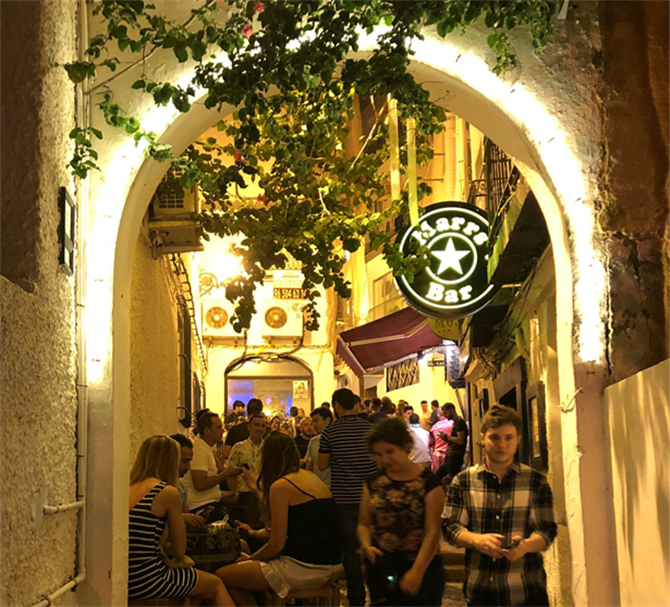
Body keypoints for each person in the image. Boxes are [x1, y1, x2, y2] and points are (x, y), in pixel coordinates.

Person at [442, 405, 557, 607]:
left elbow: (547, 529)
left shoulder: (535, 481)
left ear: (518, 439)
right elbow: (449, 526)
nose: (502, 444)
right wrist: (476, 540)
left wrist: (526, 546)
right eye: (495, 437)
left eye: (508, 437)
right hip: (480, 590)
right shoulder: (463, 481)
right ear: (483, 438)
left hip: (526, 590)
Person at [215, 432, 342, 605]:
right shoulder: (310, 477)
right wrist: (258, 494)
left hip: (304, 566)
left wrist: (251, 559)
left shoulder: (281, 485)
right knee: (243, 572)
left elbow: (276, 543)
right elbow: (296, 525)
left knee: (222, 576)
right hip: (333, 561)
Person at [128, 435, 234, 606]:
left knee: (194, 586)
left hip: (126, 575)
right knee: (215, 585)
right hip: (148, 577)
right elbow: (179, 550)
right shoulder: (167, 492)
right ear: (171, 461)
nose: (186, 466)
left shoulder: (128, 488)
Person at [358, 418, 445, 607]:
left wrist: (417, 571)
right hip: (383, 567)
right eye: (378, 454)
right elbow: (363, 523)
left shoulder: (429, 483)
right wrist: (366, 546)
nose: (384, 460)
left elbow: (432, 531)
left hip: (421, 566)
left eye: (390, 452)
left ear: (405, 447)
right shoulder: (373, 483)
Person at [318, 388, 377, 607]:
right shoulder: (371, 429)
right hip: (370, 498)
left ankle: (357, 599)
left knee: (350, 552)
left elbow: (322, 465)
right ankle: (380, 595)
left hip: (343, 498)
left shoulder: (330, 431)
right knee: (373, 546)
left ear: (337, 406)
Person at [182, 413, 242, 522]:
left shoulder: (207, 448)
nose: (223, 431)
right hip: (202, 508)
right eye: (219, 427)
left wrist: (223, 494)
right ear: (207, 431)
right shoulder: (199, 449)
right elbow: (200, 484)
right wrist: (227, 473)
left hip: (210, 503)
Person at [226, 413, 267, 528]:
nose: (259, 429)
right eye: (256, 425)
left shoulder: (269, 448)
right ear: (249, 427)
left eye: (263, 426)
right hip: (243, 496)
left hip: (262, 495)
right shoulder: (238, 447)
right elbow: (230, 472)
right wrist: (234, 492)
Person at [169, 434, 206, 529]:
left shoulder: (181, 487)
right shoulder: (155, 487)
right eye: (185, 461)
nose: (188, 468)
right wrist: (183, 518)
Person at [435, 403, 469, 484]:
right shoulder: (456, 422)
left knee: (453, 481)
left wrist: (447, 437)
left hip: (454, 457)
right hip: (451, 457)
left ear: (451, 410)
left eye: (446, 413)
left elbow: (460, 440)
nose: (445, 416)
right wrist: (445, 438)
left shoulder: (459, 422)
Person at [305, 406, 332, 486]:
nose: (313, 425)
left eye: (316, 421)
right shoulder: (313, 441)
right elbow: (309, 467)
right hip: (318, 488)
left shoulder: (337, 439)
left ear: (327, 420)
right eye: (312, 421)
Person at [430, 404, 454, 473]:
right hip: (449, 454)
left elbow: (431, 442)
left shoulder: (434, 427)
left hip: (437, 456)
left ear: (438, 415)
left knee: (437, 478)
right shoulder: (453, 423)